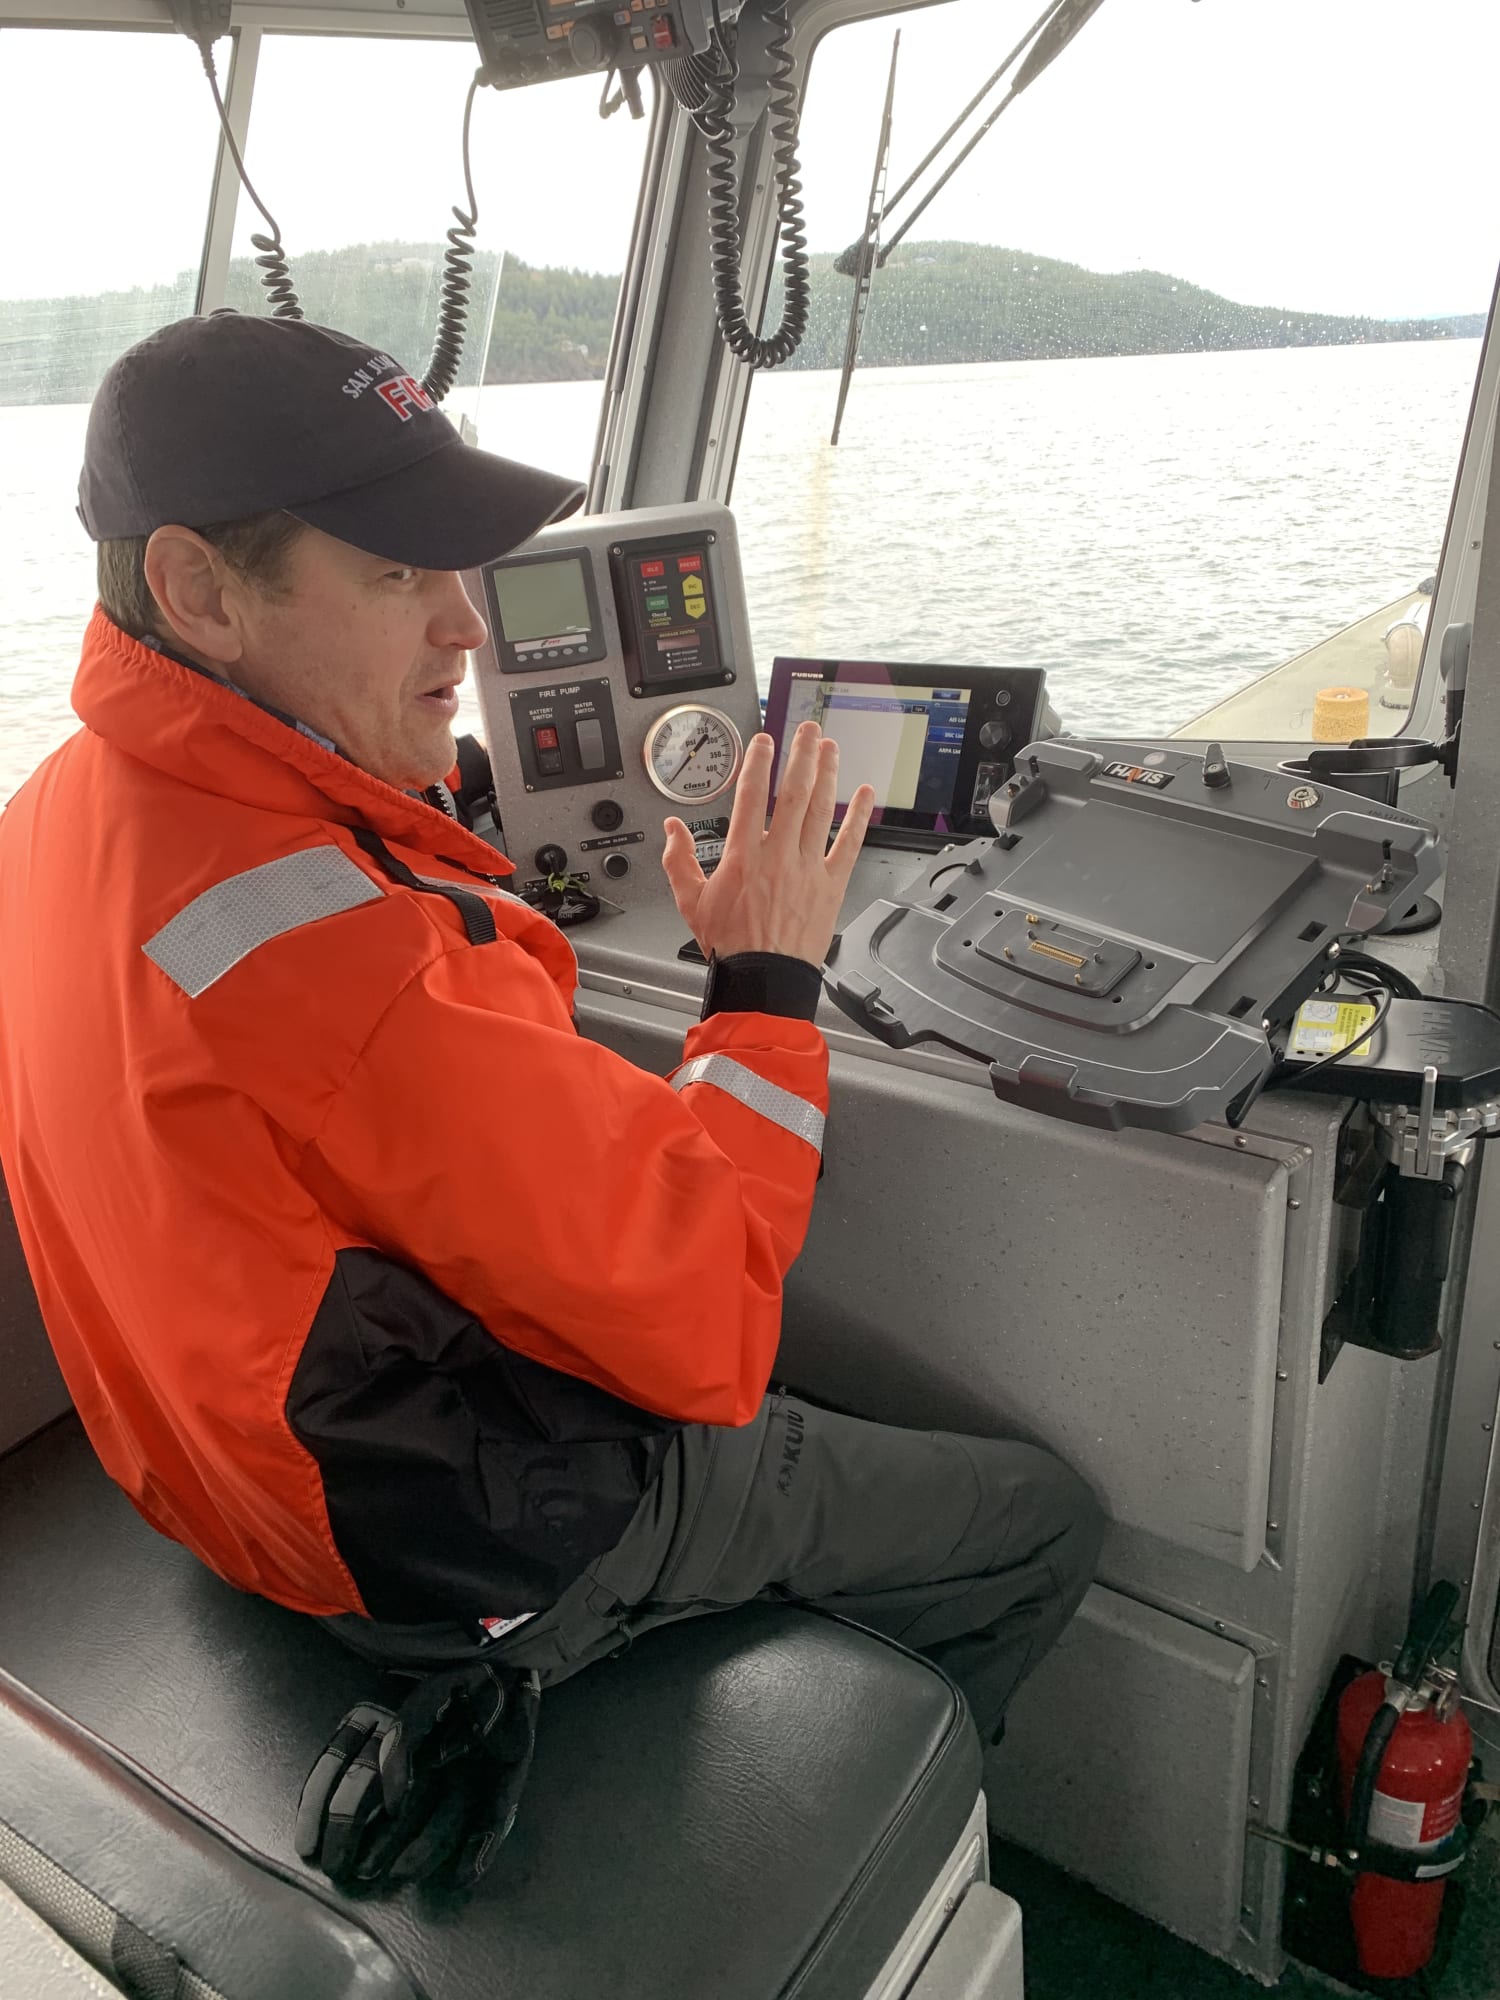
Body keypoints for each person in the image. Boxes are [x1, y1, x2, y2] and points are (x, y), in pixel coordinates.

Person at [0, 311, 1102, 1746]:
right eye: (396, 572)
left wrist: (412, 798)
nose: (465, 620)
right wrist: (766, 975)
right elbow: (708, 1331)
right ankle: (813, 1780)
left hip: (209, 1480)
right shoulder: (363, 967)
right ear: (197, 589)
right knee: (1042, 1522)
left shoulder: (54, 813)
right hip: (438, 1548)